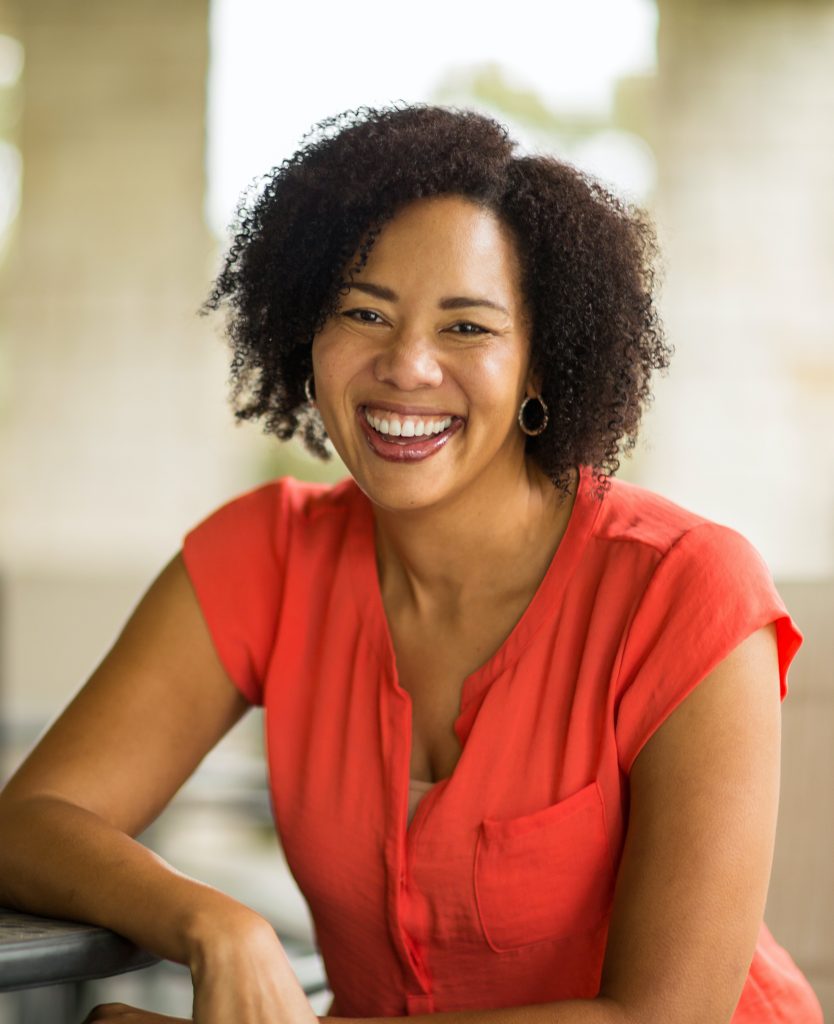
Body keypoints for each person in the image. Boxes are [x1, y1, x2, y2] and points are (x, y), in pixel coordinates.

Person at [0, 104, 823, 1024]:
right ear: (306, 339)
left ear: (540, 368)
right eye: (363, 312)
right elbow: (31, 822)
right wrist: (212, 923)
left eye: (467, 328)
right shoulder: (264, 558)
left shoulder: (686, 589)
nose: (408, 367)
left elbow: (662, 1021)